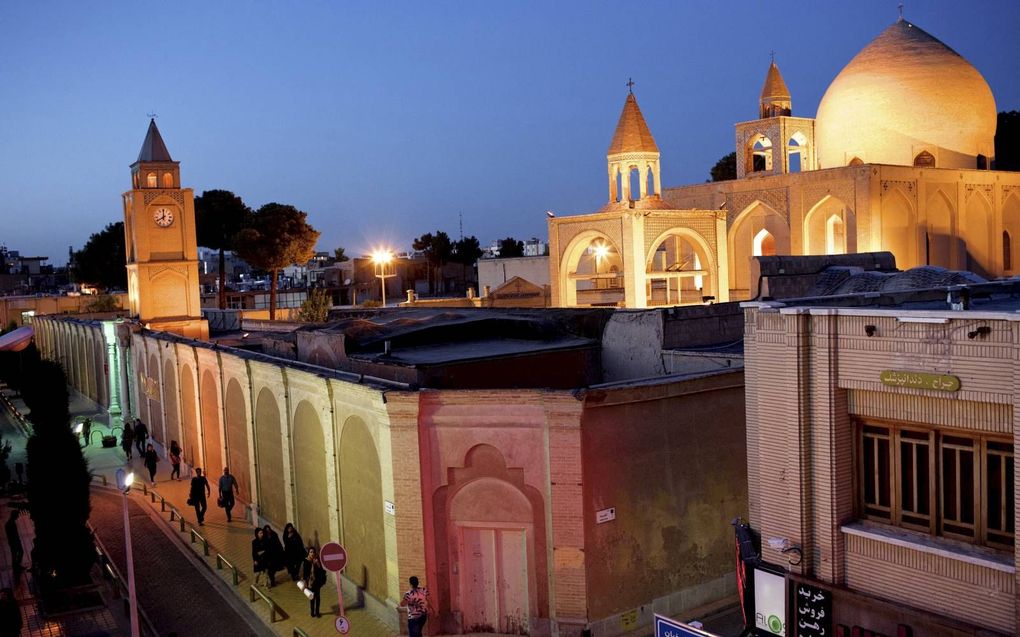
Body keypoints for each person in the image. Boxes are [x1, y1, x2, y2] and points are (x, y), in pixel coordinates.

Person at [301, 546, 327, 618]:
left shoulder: (317, 560)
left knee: (318, 597)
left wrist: (317, 564)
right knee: (312, 597)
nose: (312, 554)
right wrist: (305, 583)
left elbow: (322, 571)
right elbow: (305, 574)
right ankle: (312, 612)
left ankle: (317, 612)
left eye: (313, 552)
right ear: (308, 553)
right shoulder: (306, 561)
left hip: (317, 582)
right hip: (310, 583)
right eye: (310, 552)